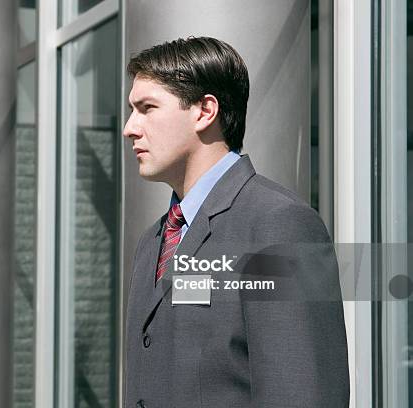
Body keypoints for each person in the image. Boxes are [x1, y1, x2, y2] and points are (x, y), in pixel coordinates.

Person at [123, 37, 349, 408]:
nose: (130, 128)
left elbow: (303, 392)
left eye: (147, 108)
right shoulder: (153, 241)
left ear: (204, 111)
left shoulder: (278, 226)